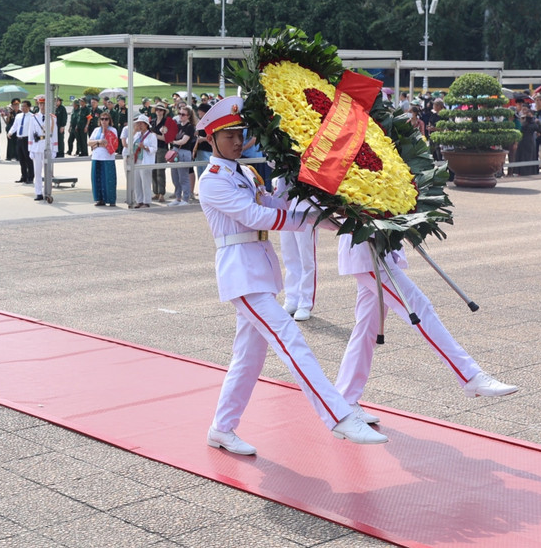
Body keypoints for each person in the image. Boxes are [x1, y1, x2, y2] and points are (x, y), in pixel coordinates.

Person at [196, 95, 386, 456]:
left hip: (259, 269)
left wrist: (328, 214)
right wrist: (307, 220)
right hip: (241, 273)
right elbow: (256, 217)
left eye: (240, 134)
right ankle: (339, 416)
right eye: (228, 136)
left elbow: (275, 205)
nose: (238, 141)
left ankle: (222, 428)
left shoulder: (246, 172)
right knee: (290, 339)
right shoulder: (213, 181)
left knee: (247, 359)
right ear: (211, 139)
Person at [332, 228, 517, 415]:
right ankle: (470, 375)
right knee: (419, 307)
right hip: (367, 254)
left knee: (366, 327)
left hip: (379, 250)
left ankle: (345, 399)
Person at [271, 176, 316, 321]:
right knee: (289, 254)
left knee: (306, 256)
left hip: (306, 199)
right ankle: (291, 298)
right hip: (285, 199)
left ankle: (305, 302)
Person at [10, 98, 46, 198]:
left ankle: (30, 177)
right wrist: (10, 132)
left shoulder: (32, 116)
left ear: (29, 107)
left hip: (28, 139)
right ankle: (23, 176)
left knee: (29, 159)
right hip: (19, 138)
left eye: (25, 106)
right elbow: (15, 126)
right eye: (22, 106)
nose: (23, 107)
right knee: (21, 159)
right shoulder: (18, 116)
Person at [87, 109, 119, 207]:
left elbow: (111, 144)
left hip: (107, 158)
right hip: (96, 157)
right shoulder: (96, 130)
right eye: (102, 119)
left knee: (108, 179)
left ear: (109, 120)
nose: (104, 121)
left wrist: (98, 143)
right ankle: (99, 199)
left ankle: (111, 199)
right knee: (97, 179)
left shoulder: (113, 130)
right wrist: (98, 142)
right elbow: (89, 142)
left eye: (106, 119)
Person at [170, 105, 197, 205]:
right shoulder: (178, 125)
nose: (180, 116)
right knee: (175, 176)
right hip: (175, 151)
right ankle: (177, 198)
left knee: (183, 177)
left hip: (184, 152)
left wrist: (173, 141)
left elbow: (184, 141)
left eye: (183, 114)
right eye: (179, 114)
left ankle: (185, 198)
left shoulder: (190, 127)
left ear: (188, 116)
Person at [128, 116, 156, 208]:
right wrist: (134, 131)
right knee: (137, 182)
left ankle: (146, 201)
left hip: (145, 161)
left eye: (141, 123)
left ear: (146, 125)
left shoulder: (152, 135)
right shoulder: (137, 135)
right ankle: (139, 200)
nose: (139, 125)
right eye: (138, 123)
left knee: (145, 182)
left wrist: (145, 147)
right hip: (136, 160)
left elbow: (154, 148)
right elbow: (128, 142)